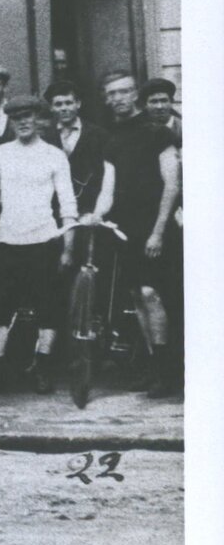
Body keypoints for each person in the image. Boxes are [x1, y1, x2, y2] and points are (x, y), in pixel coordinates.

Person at [0, 94, 77, 394]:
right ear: (10, 122)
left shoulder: (54, 155)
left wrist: (67, 246)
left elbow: (67, 203)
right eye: (17, 118)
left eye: (29, 117)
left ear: (38, 119)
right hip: (9, 241)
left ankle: (43, 367)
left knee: (47, 307)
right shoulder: (0, 154)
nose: (23, 122)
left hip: (44, 239)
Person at [99, 71, 181, 396]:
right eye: (111, 93)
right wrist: (96, 214)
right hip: (127, 229)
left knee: (152, 294)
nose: (118, 98)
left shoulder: (158, 133)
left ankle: (167, 370)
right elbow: (108, 188)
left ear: (135, 95)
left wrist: (158, 232)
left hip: (156, 228)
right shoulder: (112, 138)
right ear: (107, 99)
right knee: (137, 295)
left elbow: (172, 185)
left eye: (123, 91)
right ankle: (152, 366)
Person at [43, 80, 114, 225]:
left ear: (78, 104)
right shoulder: (45, 138)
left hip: (90, 211)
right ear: (51, 107)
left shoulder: (99, 135)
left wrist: (96, 211)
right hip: (55, 212)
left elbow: (105, 178)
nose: (64, 108)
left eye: (68, 103)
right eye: (58, 104)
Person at [141, 77, 182, 144]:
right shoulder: (140, 130)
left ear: (171, 102)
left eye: (164, 101)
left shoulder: (182, 128)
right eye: (154, 101)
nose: (159, 106)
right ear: (145, 105)